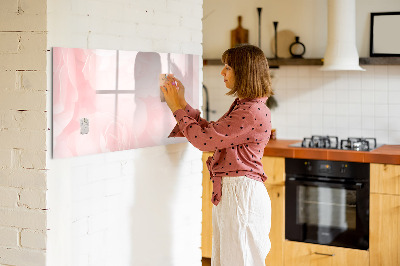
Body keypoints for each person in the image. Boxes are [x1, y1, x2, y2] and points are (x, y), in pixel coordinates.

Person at [161, 44, 273, 266]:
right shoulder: (246, 106)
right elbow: (212, 133)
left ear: (244, 72)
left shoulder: (250, 111)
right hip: (236, 193)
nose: (222, 72)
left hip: (241, 195)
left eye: (228, 67)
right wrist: (182, 103)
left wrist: (176, 108)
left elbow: (204, 141)